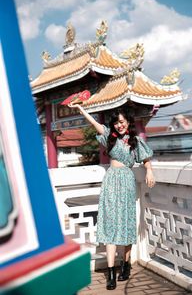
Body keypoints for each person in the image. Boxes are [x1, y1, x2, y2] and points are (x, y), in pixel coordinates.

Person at [68, 103, 155, 290]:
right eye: (116, 122)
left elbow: (146, 159)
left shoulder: (135, 140)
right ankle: (111, 273)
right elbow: (94, 124)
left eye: (122, 122)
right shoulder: (110, 137)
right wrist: (82, 110)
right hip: (111, 182)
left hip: (127, 182)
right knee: (110, 223)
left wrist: (149, 171)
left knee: (126, 222)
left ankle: (126, 263)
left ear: (128, 122)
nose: (119, 125)